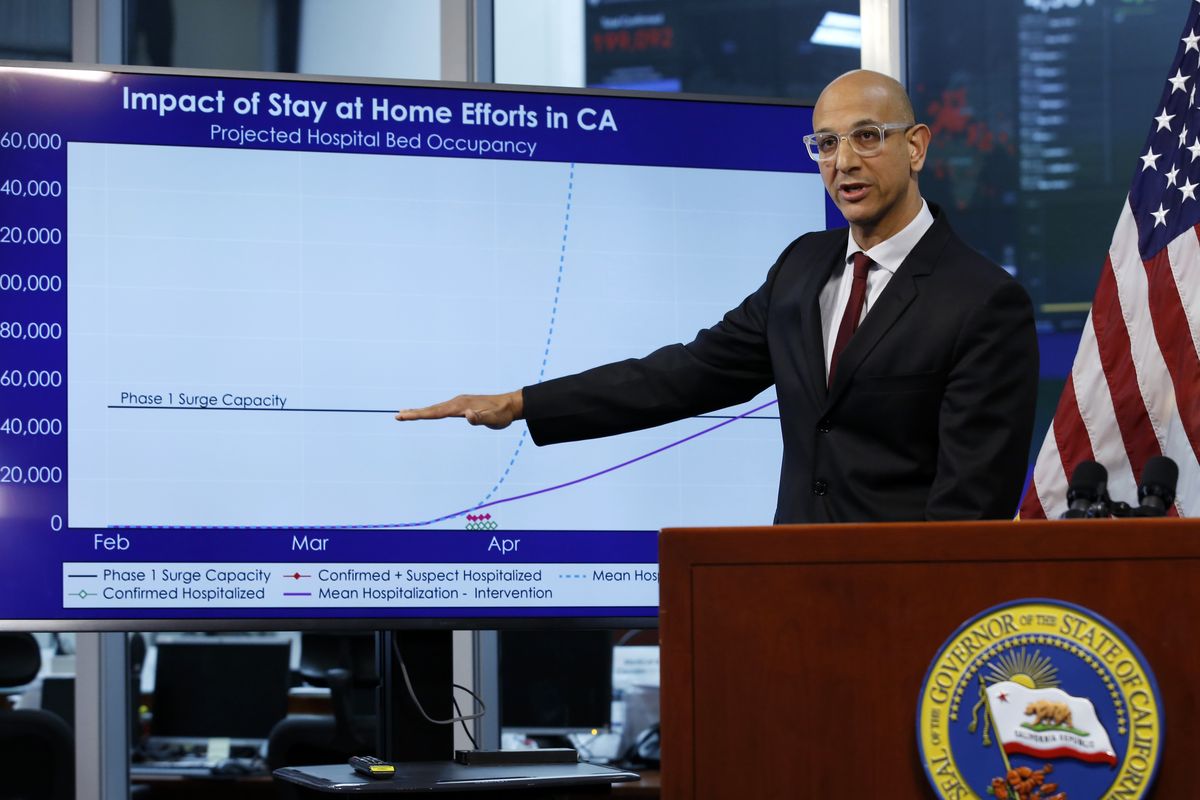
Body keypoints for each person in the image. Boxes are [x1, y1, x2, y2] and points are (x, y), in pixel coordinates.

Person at [396, 70, 1039, 523]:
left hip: (909, 623)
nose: (843, 161)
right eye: (826, 143)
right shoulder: (802, 267)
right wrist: (524, 403)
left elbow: (969, 513)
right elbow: (685, 375)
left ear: (917, 145)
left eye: (866, 136)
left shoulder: (984, 303)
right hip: (789, 596)